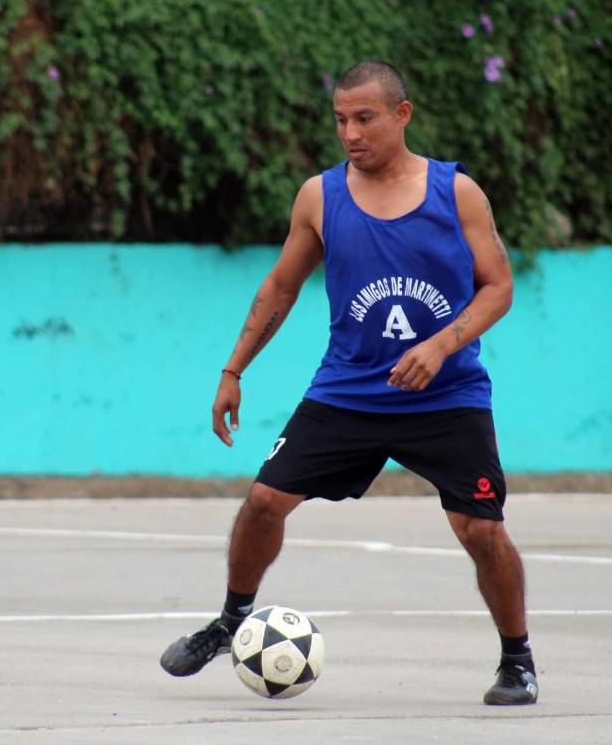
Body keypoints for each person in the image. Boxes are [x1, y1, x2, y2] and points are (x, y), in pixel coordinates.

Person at [158, 60, 537, 705]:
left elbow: (498, 286)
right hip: (348, 391)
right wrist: (233, 370)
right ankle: (231, 620)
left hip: (445, 395)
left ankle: (517, 660)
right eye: (340, 120)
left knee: (480, 529)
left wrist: (442, 345)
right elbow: (280, 285)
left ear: (402, 115)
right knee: (263, 503)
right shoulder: (320, 196)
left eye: (364, 118)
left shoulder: (456, 193)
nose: (351, 133)